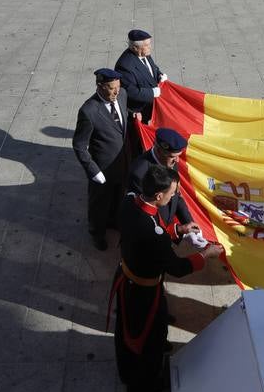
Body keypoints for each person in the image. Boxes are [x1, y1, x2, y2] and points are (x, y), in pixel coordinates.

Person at [110, 164, 221, 392]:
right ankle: (145, 385)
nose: (173, 197)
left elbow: (147, 236)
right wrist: (205, 255)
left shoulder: (130, 201)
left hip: (127, 279)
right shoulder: (155, 235)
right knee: (150, 338)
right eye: (172, 194)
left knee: (124, 330)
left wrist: (178, 229)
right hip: (144, 293)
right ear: (159, 195)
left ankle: (125, 371)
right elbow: (177, 267)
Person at [73, 68, 130, 251]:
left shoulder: (122, 96)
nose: (116, 92)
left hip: (122, 164)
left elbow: (122, 124)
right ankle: (96, 233)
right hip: (102, 170)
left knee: (117, 197)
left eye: (118, 87)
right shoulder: (89, 111)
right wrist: (93, 170)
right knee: (99, 204)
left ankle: (113, 221)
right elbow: (79, 145)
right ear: (100, 86)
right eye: (112, 88)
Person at [127, 128, 199, 239]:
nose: (177, 160)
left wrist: (191, 224)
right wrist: (176, 230)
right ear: (159, 150)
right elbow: (143, 215)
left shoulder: (170, 161)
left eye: (178, 155)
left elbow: (176, 195)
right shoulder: (139, 173)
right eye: (173, 156)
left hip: (167, 225)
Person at [115, 29, 166, 124]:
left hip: (152, 107)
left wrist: (159, 75)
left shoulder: (144, 53)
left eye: (149, 44)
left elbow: (152, 67)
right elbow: (131, 92)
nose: (150, 47)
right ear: (135, 47)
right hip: (140, 113)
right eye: (147, 45)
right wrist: (152, 92)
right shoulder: (125, 66)